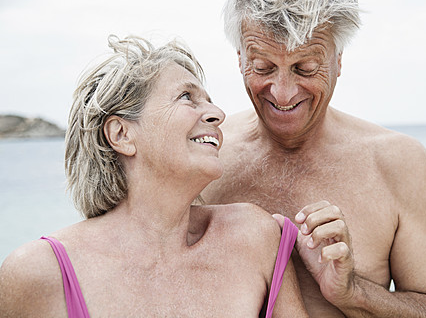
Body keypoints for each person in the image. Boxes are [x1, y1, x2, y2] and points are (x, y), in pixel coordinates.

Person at [0, 35, 309, 317]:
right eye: (187, 97)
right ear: (121, 134)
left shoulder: (255, 237)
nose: (218, 113)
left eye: (208, 99)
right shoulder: (39, 272)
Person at [202, 0, 426, 317]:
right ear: (239, 58)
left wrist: (353, 293)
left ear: (338, 59)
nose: (282, 93)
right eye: (263, 67)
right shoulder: (207, 158)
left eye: (305, 68)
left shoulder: (399, 163)